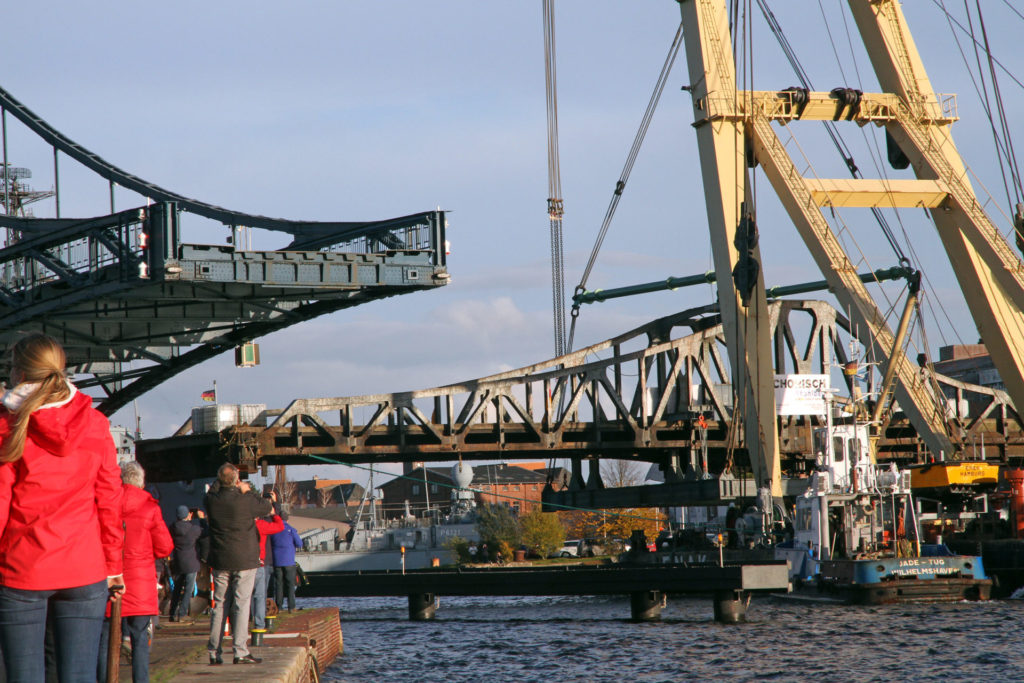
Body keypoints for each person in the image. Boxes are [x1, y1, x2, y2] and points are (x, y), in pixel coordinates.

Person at [0, 334, 124, 683]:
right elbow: (109, 501)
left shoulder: (8, 425)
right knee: (80, 675)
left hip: (23, 568)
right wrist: (114, 564)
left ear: (20, 373)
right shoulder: (96, 424)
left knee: (23, 676)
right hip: (84, 568)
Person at [98, 462, 173, 683]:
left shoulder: (106, 504)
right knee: (140, 637)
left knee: (105, 638)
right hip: (140, 581)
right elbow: (164, 547)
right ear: (141, 481)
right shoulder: (150, 508)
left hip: (110, 578)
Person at [205, 463, 273, 665]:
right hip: (244, 559)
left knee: (220, 605)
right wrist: (248, 491)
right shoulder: (245, 501)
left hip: (220, 559)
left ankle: (214, 651)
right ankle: (240, 651)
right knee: (242, 604)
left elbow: (215, 489)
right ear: (236, 480)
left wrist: (225, 481)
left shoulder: (211, 501)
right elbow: (267, 507)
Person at [252, 494, 283, 631]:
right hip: (259, 563)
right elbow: (279, 526)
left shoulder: (240, 525)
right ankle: (259, 624)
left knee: (242, 595)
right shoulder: (261, 525)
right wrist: (273, 512)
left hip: (241, 564)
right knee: (260, 595)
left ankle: (238, 623)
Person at [168, 506, 204, 623]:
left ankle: (172, 613)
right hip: (191, 562)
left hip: (178, 561)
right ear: (187, 515)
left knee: (177, 589)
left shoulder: (173, 528)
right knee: (188, 589)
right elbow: (205, 531)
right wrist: (201, 518)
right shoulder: (193, 529)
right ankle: (182, 613)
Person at [270, 513, 304, 613]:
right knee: (290, 584)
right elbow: (299, 543)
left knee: (278, 585)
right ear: (287, 520)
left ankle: (279, 607)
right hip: (289, 561)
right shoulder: (291, 529)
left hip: (276, 561)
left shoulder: (273, 530)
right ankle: (291, 607)